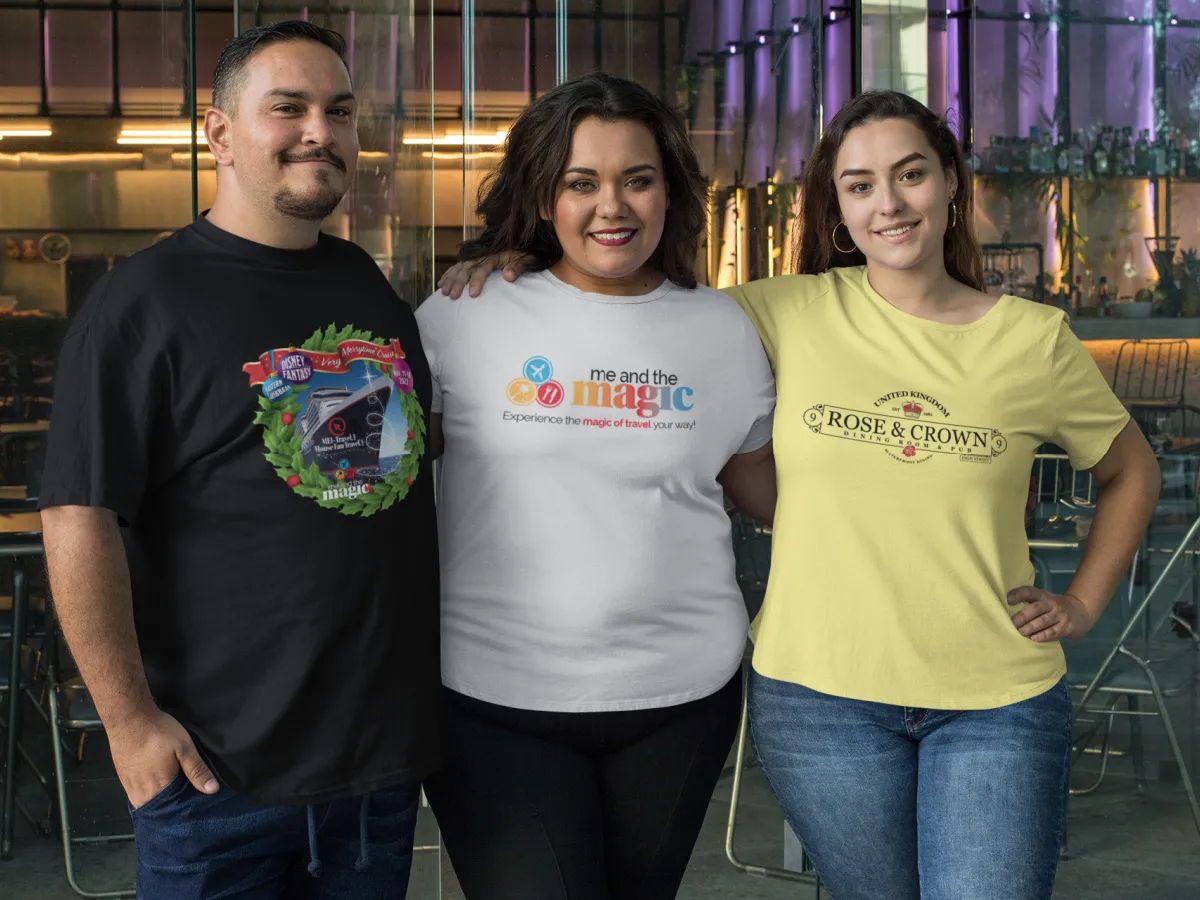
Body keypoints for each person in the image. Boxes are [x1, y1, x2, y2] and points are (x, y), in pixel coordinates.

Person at [438, 89, 1161, 900]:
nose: (888, 203)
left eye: (911, 174)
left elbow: (1131, 469)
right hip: (822, 695)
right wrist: (510, 265)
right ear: (836, 208)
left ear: (953, 181)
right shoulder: (776, 311)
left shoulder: (1031, 339)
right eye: (859, 185)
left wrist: (1085, 605)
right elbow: (618, 313)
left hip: (993, 691)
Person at [39, 21, 439, 899]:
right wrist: (129, 721)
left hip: (372, 773)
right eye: (287, 108)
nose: (319, 132)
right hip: (218, 775)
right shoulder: (141, 304)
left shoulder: (370, 289)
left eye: (339, 111)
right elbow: (76, 514)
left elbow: (387, 485)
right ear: (218, 134)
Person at [413, 73, 777, 899]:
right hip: (492, 701)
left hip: (682, 701)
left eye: (636, 180)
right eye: (581, 183)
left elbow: (762, 481)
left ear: (669, 192)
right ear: (543, 197)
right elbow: (384, 482)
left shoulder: (722, 329)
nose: (612, 206)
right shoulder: (465, 313)